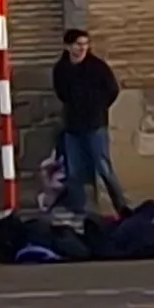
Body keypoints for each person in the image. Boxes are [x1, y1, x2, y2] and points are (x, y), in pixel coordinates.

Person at [52, 30, 127, 221]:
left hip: (95, 124)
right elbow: (61, 92)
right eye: (78, 44)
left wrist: (97, 108)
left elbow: (112, 89)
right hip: (72, 125)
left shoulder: (97, 67)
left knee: (103, 167)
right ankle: (80, 211)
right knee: (74, 170)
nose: (82, 48)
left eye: (85, 43)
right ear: (68, 46)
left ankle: (122, 208)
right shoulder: (61, 68)